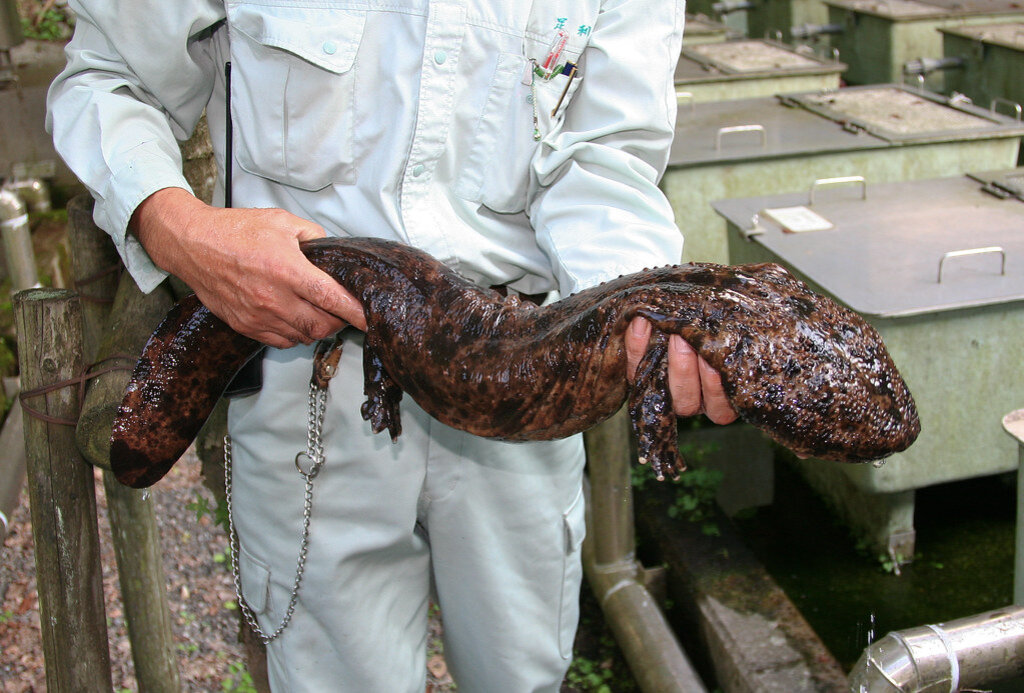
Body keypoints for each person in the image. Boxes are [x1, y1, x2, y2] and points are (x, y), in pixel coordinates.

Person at [48, 1, 737, 690]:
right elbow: (109, 78)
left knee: (521, 674)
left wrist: (651, 319)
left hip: (524, 377)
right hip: (310, 369)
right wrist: (183, 233)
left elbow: (606, 159)